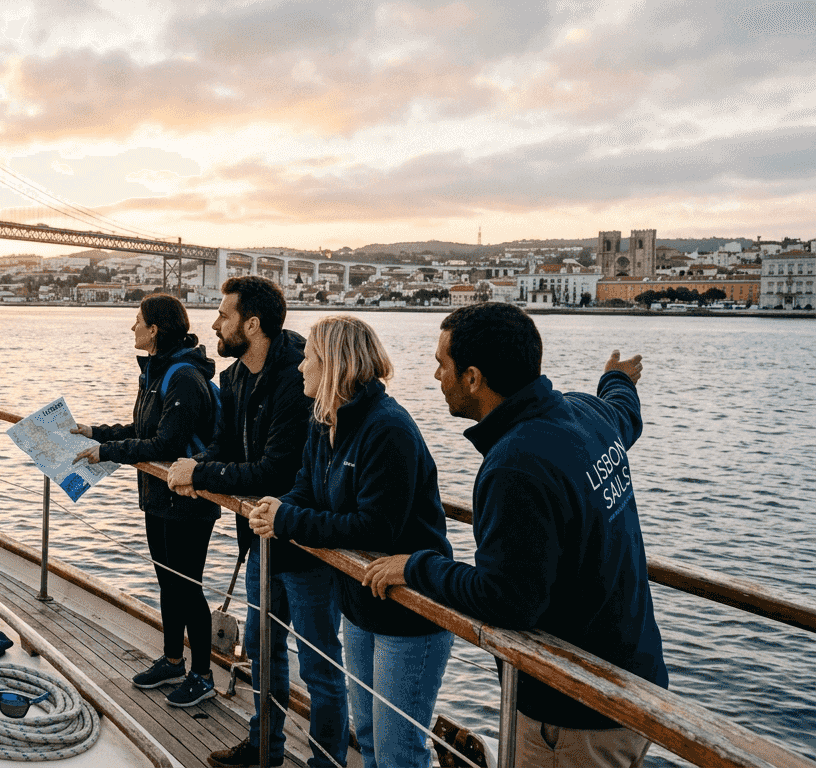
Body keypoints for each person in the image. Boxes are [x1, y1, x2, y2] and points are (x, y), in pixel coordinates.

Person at [363, 302, 668, 768]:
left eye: (442, 364)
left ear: (472, 377)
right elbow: (624, 412)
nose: (435, 375)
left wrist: (413, 564)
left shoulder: (515, 465)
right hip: (634, 681)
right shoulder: (585, 414)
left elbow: (506, 600)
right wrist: (616, 378)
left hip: (572, 708)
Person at [249, 315, 453, 768]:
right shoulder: (325, 420)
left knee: (400, 752)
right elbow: (306, 485)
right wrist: (277, 507)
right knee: (370, 740)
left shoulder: (388, 429)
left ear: (336, 365)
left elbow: (374, 528)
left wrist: (288, 520)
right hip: (358, 601)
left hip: (407, 610)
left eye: (310, 359)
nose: (301, 367)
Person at [165, 276, 347, 768]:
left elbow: (276, 470)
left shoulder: (298, 379)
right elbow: (228, 447)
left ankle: (326, 764)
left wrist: (200, 472)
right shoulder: (235, 376)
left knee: (320, 666)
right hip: (261, 539)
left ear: (252, 324)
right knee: (264, 654)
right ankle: (263, 747)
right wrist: (197, 464)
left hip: (308, 543)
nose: (214, 324)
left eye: (223, 316)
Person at [74, 293, 221, 707]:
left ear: (154, 330)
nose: (132, 328)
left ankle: (203, 674)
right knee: (166, 582)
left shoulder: (184, 378)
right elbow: (142, 428)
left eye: (137, 320)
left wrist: (107, 453)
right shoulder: (157, 373)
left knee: (187, 587)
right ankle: (173, 659)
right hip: (158, 497)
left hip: (188, 501)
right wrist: (97, 433)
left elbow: (167, 442)